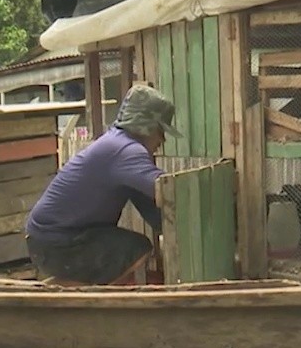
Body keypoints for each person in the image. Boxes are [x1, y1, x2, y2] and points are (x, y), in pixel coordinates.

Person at [25, 84, 183, 285]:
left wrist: (171, 228)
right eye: (161, 130)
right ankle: (89, 298)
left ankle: (71, 290)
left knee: (128, 247)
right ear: (148, 126)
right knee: (136, 248)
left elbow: (151, 205)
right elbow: (168, 188)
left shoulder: (118, 145)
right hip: (56, 244)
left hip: (48, 240)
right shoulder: (127, 151)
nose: (163, 139)